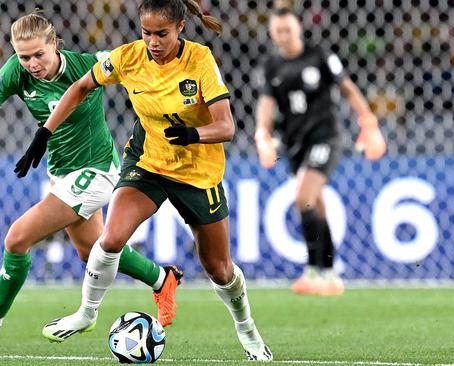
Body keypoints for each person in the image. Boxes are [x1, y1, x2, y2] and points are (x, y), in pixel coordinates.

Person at [24, 0, 272, 361]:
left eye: (162, 34)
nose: (153, 41)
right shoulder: (128, 57)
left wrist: (192, 134)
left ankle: (246, 327)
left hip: (197, 173)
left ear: (181, 28)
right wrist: (45, 132)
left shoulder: (200, 60)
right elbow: (81, 87)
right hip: (147, 165)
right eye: (146, 33)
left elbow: (226, 126)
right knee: (109, 239)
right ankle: (86, 314)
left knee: (219, 269)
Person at [0, 9, 183, 350]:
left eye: (38, 54)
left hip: (98, 170)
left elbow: (134, 57)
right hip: (61, 173)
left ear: (54, 45)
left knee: (16, 239)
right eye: (23, 56)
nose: (31, 63)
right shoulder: (16, 71)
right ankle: (163, 279)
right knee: (93, 251)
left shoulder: (86, 65)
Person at [254, 7, 386, 296]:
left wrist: (369, 123)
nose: (284, 37)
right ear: (272, 34)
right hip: (295, 143)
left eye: (288, 30)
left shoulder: (320, 56)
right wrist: (262, 133)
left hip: (325, 137)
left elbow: (348, 89)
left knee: (303, 198)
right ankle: (329, 274)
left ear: (298, 29)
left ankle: (314, 269)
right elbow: (266, 103)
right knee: (317, 202)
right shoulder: (271, 66)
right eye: (278, 32)